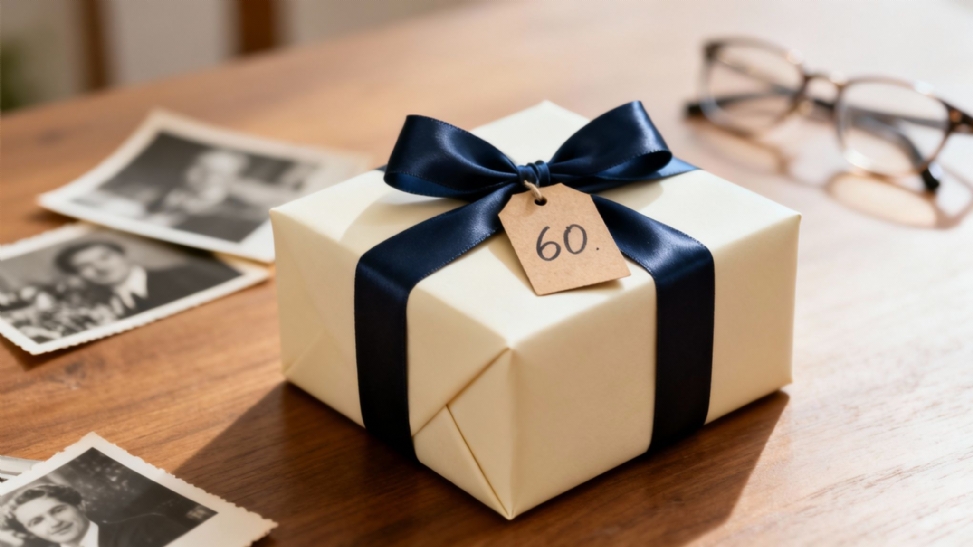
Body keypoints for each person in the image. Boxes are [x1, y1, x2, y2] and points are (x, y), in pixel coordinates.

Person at [53, 240, 239, 318]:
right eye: (85, 266)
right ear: (77, 275)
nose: (101, 268)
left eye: (105, 257)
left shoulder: (188, 274)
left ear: (122, 255)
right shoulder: (100, 309)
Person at [1, 484, 188, 547]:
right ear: (30, 531)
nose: (54, 523)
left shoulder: (146, 527)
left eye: (58, 510)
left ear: (80, 505)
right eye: (37, 521)